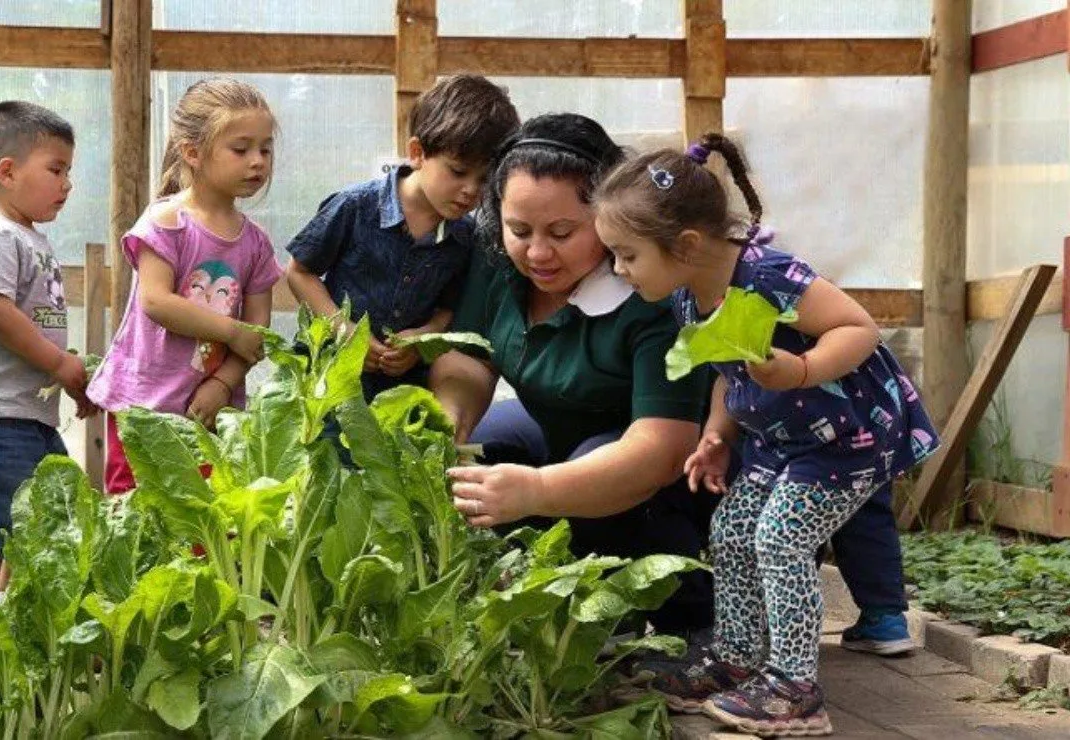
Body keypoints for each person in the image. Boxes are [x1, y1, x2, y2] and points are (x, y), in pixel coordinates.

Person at [592, 136, 939, 736]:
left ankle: (796, 687)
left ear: (686, 245)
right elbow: (729, 370)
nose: (619, 271)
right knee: (730, 529)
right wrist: (717, 436)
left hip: (848, 439)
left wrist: (800, 369)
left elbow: (860, 328)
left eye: (626, 256)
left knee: (780, 539)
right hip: (783, 439)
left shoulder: (770, 276)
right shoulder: (687, 296)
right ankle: (737, 658)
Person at [436, 114, 715, 636]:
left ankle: (680, 609)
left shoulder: (651, 294)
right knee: (477, 458)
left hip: (673, 478)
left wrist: (537, 489)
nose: (538, 252)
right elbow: (468, 358)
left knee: (591, 477)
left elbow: (662, 448)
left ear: (611, 221)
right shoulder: (499, 264)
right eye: (519, 230)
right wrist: (452, 417)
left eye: (562, 232)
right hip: (557, 429)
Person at [87, 77, 281, 494]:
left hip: (209, 413)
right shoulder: (167, 223)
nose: (258, 161)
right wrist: (230, 331)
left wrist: (222, 384)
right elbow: (156, 301)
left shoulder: (256, 243)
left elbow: (257, 333)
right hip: (143, 408)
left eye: (265, 149)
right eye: (241, 148)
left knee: (203, 534)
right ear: (193, 153)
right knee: (137, 520)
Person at [285, 75, 519, 400]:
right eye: (458, 172)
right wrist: (342, 329)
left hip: (402, 389)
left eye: (485, 180)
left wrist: (422, 341)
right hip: (327, 378)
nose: (470, 190)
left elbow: (449, 309)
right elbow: (299, 271)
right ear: (417, 152)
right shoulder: (356, 206)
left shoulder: (467, 236)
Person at [0, 101, 95, 598]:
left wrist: (70, 381)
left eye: (68, 171)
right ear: (7, 172)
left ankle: (6, 623)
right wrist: (61, 363)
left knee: (41, 518)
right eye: (55, 169)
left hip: (25, 414)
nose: (66, 183)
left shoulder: (30, 238)